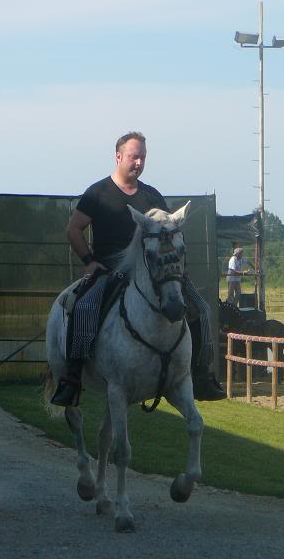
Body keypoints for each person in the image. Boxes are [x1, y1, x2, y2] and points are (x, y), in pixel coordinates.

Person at [50, 131, 225, 406]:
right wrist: (89, 261)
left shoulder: (151, 195)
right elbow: (73, 229)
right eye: (134, 157)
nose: (139, 163)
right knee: (83, 308)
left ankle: (202, 375)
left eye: (142, 157)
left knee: (201, 308)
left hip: (154, 271)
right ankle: (72, 379)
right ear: (119, 156)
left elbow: (167, 233)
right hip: (109, 271)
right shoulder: (97, 193)